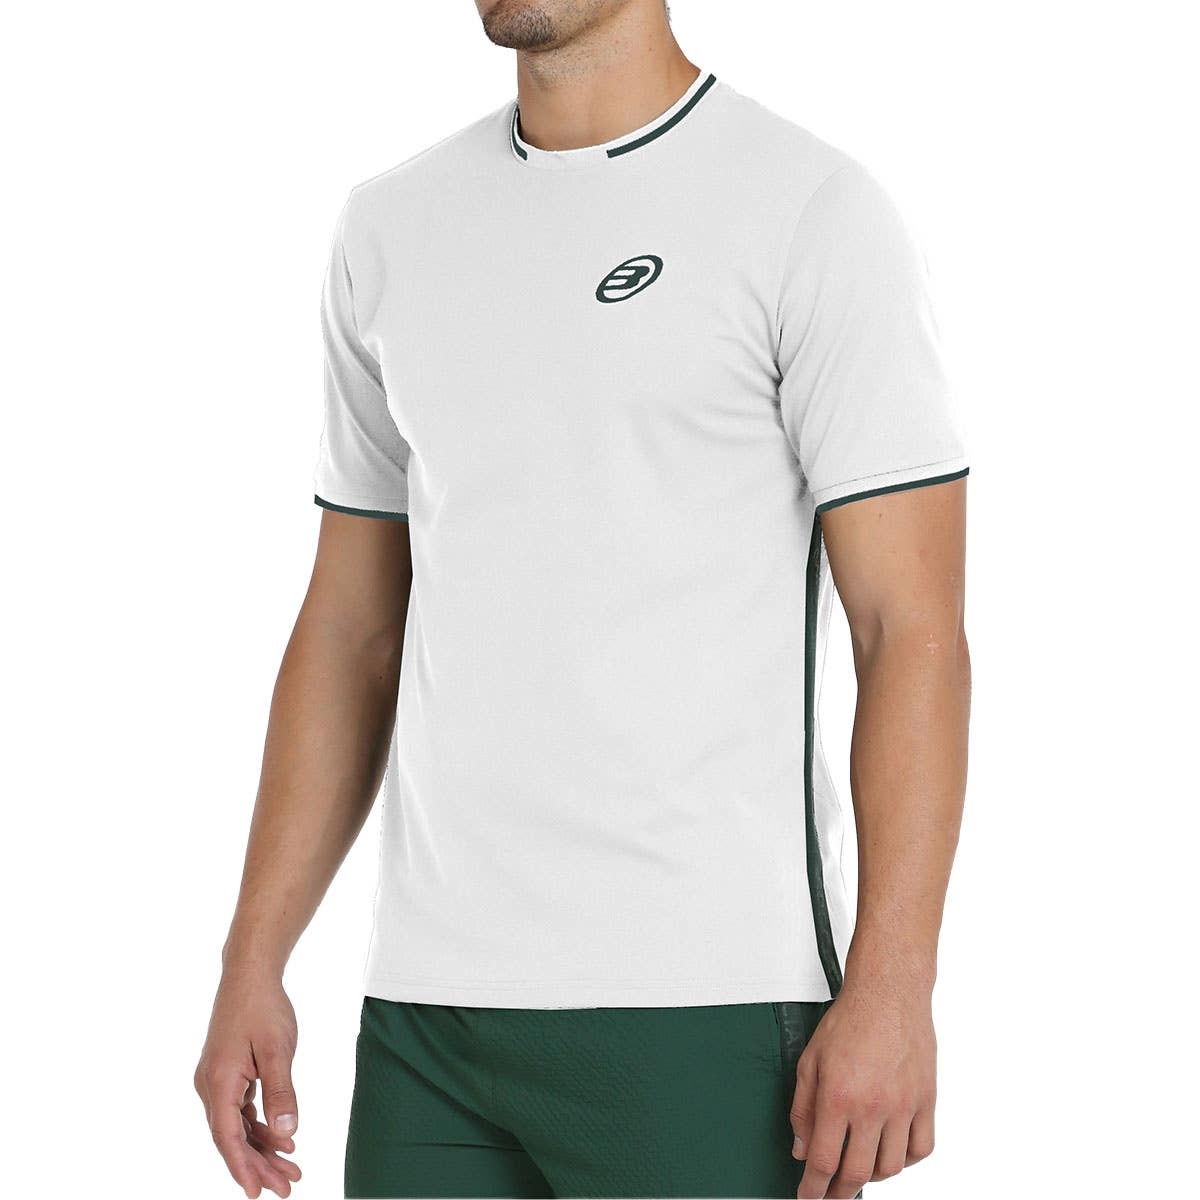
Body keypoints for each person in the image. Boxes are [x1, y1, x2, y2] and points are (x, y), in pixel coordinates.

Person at [194, 2, 971, 1197]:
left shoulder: (809, 209)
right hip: (430, 1019)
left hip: (707, 1002)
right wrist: (254, 954)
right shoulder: (391, 225)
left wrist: (896, 985)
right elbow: (350, 629)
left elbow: (908, 631)